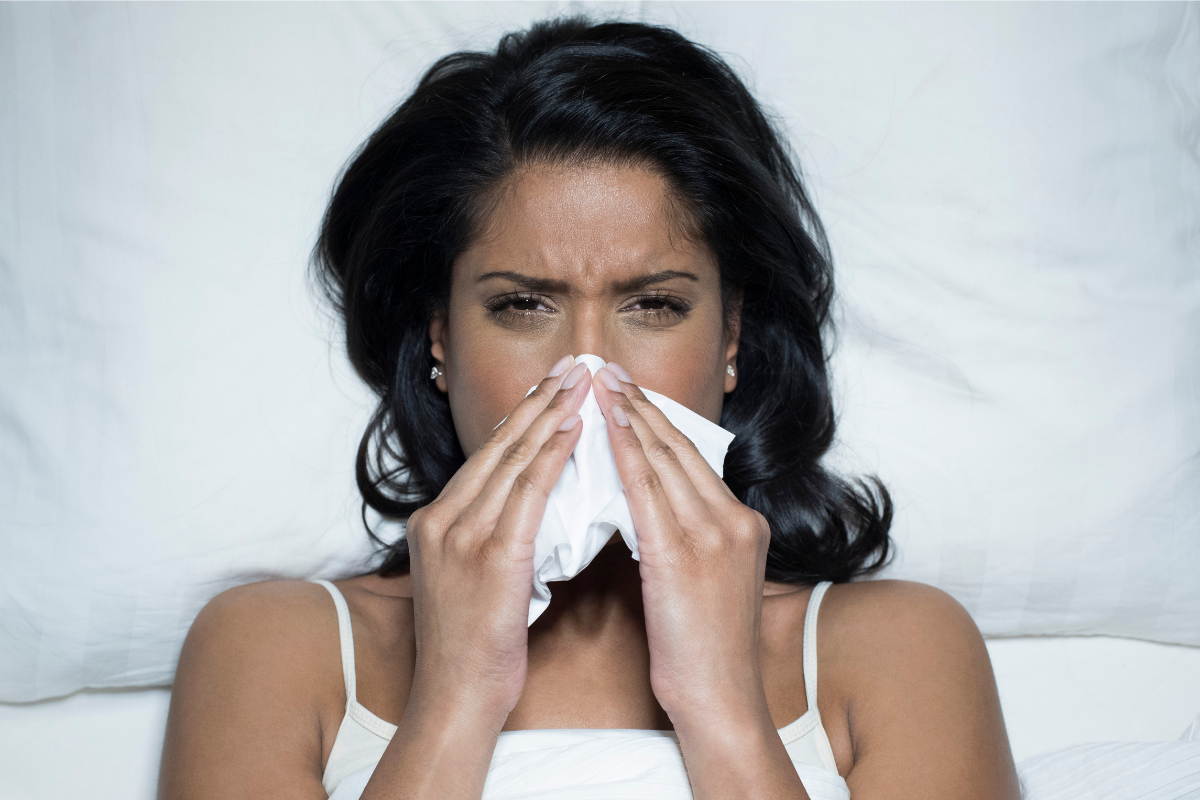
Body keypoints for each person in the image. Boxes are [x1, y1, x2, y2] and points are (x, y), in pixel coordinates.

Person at [159, 17, 1020, 800]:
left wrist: (720, 704)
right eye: (523, 305)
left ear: (731, 340)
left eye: (653, 304)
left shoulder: (902, 650)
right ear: (440, 340)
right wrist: (455, 693)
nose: (589, 368)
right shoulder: (271, 648)